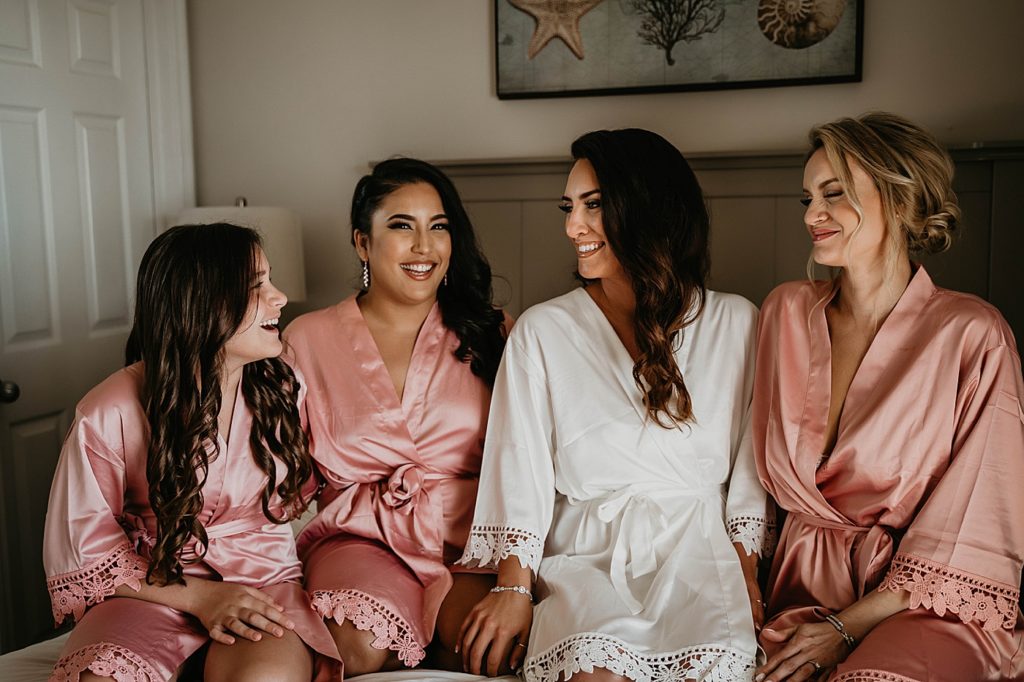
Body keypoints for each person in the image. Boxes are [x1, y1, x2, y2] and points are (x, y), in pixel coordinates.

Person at [457, 129, 772, 682]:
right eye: (569, 207)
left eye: (593, 205)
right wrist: (513, 586)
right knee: (595, 675)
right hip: (586, 559)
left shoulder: (737, 324)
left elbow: (750, 470)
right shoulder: (543, 332)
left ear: (648, 207)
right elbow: (520, 467)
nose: (571, 226)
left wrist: (746, 571)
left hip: (699, 555)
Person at [753, 112, 1024, 682]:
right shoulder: (785, 313)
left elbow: (973, 524)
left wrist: (846, 629)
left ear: (900, 200)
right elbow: (751, 489)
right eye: (806, 197)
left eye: (834, 194)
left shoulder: (971, 334)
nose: (811, 214)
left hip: (920, 602)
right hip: (792, 590)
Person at [43, 224, 341, 681]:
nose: (280, 298)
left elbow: (311, 485)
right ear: (201, 303)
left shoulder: (284, 387)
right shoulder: (108, 411)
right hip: (150, 589)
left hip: (260, 583)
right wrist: (200, 597)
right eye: (256, 286)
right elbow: (85, 550)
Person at [284, 158, 508, 675]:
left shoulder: (492, 333)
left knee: (486, 651)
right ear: (363, 242)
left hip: (469, 538)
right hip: (361, 536)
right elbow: (279, 474)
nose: (424, 247)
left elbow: (532, 459)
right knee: (356, 647)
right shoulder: (307, 339)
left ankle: (430, 631)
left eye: (439, 227)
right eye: (402, 226)